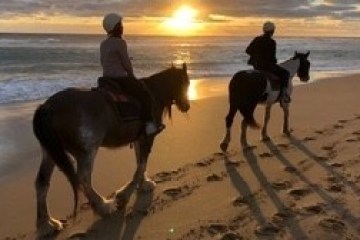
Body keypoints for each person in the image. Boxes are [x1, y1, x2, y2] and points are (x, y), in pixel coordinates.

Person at [100, 13, 164, 136]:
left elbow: (103, 61)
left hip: (106, 79)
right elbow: (126, 65)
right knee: (145, 94)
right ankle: (149, 125)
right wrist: (132, 76)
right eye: (120, 24)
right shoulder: (120, 42)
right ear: (116, 27)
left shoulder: (103, 43)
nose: (122, 27)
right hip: (120, 79)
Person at [245, 21, 290, 103]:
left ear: (263, 30)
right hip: (267, 67)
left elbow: (248, 50)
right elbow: (272, 58)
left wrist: (256, 56)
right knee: (285, 73)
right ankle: (284, 95)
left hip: (256, 66)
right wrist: (274, 61)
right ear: (273, 31)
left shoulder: (256, 39)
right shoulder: (272, 42)